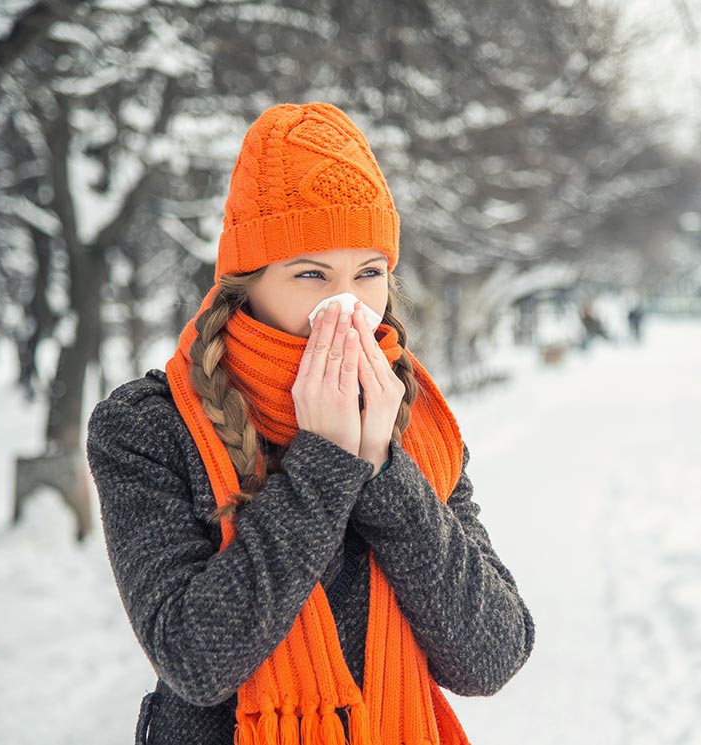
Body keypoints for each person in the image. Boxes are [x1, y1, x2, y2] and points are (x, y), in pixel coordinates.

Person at [87, 102, 535, 745]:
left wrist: (383, 468)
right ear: (247, 282)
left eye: (369, 273)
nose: (347, 305)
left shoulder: (416, 424)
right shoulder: (149, 426)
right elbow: (194, 659)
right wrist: (325, 463)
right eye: (310, 273)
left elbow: (491, 656)